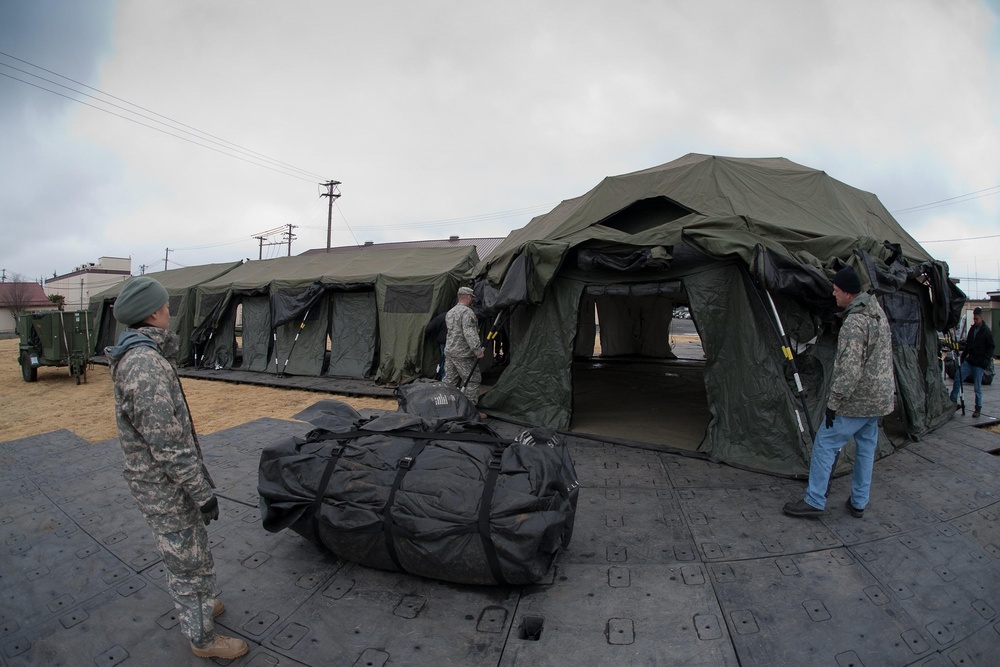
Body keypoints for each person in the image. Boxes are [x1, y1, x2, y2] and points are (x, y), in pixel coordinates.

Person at [106, 277, 248, 660]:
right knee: (187, 562)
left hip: (165, 483)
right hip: (165, 486)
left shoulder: (145, 357)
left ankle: (200, 606)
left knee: (193, 553)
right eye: (166, 306)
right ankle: (202, 639)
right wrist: (201, 493)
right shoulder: (144, 365)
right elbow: (168, 445)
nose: (170, 311)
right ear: (153, 313)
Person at [783, 265, 895, 519]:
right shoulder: (877, 313)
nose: (833, 295)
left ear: (847, 293)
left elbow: (850, 370)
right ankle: (859, 502)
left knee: (825, 443)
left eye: (835, 291)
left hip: (857, 401)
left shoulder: (854, 323)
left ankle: (814, 499)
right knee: (866, 449)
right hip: (878, 400)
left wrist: (833, 404)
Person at [950, 307, 994, 418]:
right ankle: (952, 402)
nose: (975, 321)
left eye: (977, 319)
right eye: (974, 319)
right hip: (969, 361)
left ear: (981, 317)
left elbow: (991, 347)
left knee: (977, 387)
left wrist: (985, 361)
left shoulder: (986, 332)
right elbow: (968, 345)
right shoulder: (972, 329)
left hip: (979, 364)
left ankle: (978, 408)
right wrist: (963, 356)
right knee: (957, 377)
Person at [443, 286, 485, 403]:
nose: (472, 300)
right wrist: (478, 351)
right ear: (467, 297)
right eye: (471, 297)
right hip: (464, 354)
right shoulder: (467, 313)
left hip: (450, 352)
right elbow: (469, 333)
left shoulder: (450, 312)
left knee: (450, 381)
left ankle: (445, 405)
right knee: (473, 380)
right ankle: (469, 410)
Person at [424, 308, 448, 380]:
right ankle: (444, 376)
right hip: (453, 341)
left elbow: (429, 328)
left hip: (442, 341)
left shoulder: (438, 318)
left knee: (443, 359)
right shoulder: (450, 315)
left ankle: (442, 376)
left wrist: (425, 336)